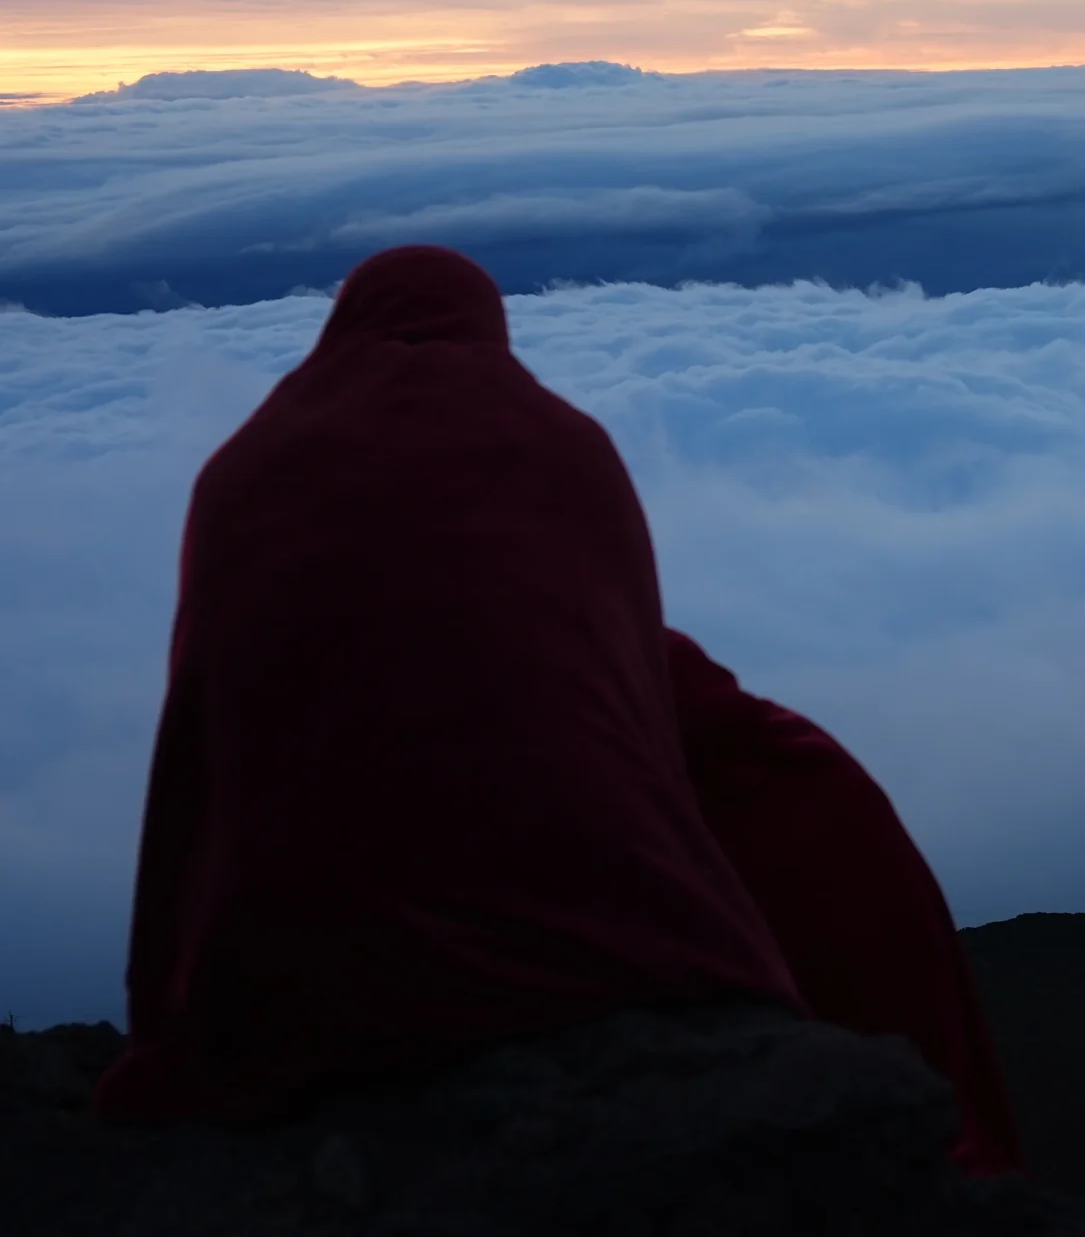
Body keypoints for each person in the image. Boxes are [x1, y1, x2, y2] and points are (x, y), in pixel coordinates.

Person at [97, 245, 1024, 1175]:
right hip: (592, 965)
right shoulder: (564, 446)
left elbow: (206, 733)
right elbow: (616, 673)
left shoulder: (240, 473)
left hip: (280, 971)